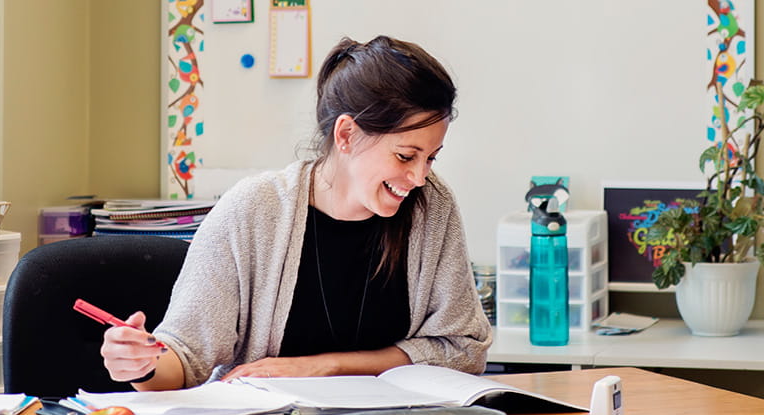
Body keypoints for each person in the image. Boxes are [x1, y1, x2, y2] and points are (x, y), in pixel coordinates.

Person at [101, 35, 492, 391]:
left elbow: (463, 350)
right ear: (346, 135)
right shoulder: (253, 211)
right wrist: (139, 365)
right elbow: (184, 359)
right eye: (406, 156)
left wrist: (325, 367)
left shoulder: (432, 207)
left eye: (431, 158)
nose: (420, 177)